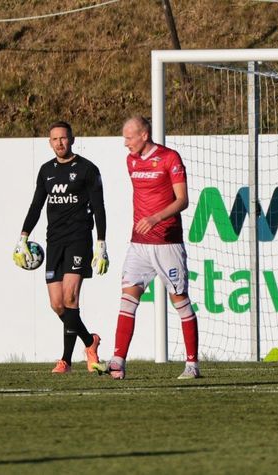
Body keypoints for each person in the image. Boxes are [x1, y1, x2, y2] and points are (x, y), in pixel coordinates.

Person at [94, 116, 200, 380]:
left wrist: (155, 218)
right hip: (139, 245)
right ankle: (118, 362)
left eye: (129, 137)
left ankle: (192, 364)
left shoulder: (169, 158)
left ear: (144, 135)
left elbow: (183, 200)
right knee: (128, 299)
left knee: (180, 302)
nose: (125, 143)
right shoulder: (131, 161)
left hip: (166, 242)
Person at [13, 121, 107, 374]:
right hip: (53, 241)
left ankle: (65, 360)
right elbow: (36, 206)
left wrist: (101, 243)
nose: (60, 143)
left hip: (79, 239)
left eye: (64, 138)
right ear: (49, 142)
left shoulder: (87, 169)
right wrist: (23, 236)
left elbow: (99, 208)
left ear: (72, 139)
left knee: (70, 297)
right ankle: (90, 341)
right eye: (55, 139)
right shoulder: (46, 171)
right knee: (57, 304)